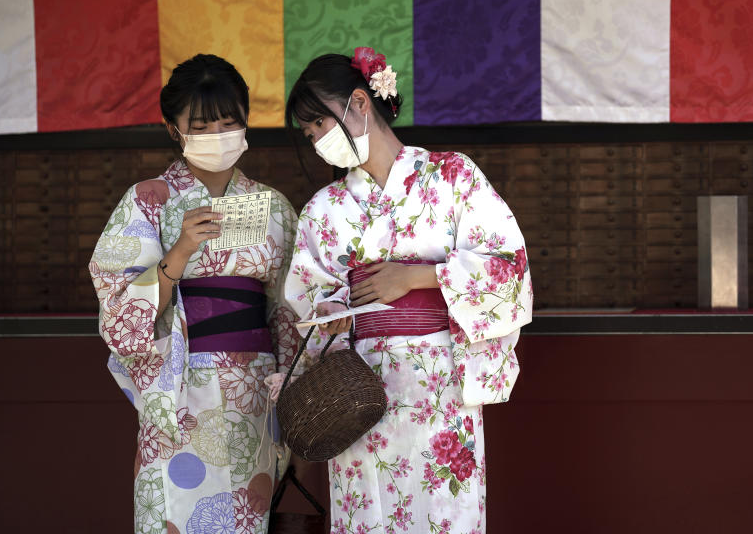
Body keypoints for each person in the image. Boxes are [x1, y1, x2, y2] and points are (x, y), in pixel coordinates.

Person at [280, 47, 532, 533]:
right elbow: (308, 293)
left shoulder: (452, 176)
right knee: (368, 512)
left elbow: (508, 268)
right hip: (358, 394)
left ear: (359, 102)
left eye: (320, 125)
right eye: (309, 135)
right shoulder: (323, 210)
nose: (316, 141)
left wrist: (415, 276)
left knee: (445, 515)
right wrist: (331, 310)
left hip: (442, 385)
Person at [89, 54, 299, 534]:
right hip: (180, 394)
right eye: (202, 126)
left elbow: (290, 310)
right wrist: (179, 252)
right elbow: (120, 316)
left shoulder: (275, 209)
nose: (218, 135)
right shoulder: (148, 201)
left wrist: (287, 381)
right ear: (173, 129)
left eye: (230, 123)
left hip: (255, 396)